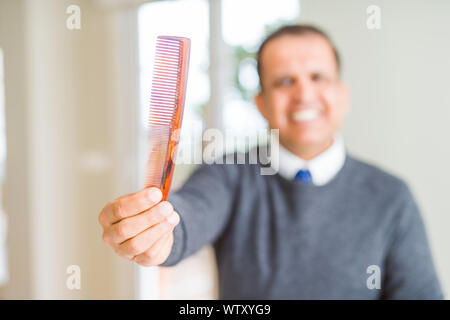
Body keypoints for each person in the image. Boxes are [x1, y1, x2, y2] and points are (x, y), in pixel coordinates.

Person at [98, 25, 443, 299]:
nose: (304, 94)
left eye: (318, 77)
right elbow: (189, 214)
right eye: (285, 81)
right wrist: (157, 231)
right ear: (261, 103)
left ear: (342, 94)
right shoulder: (228, 174)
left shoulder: (391, 197)